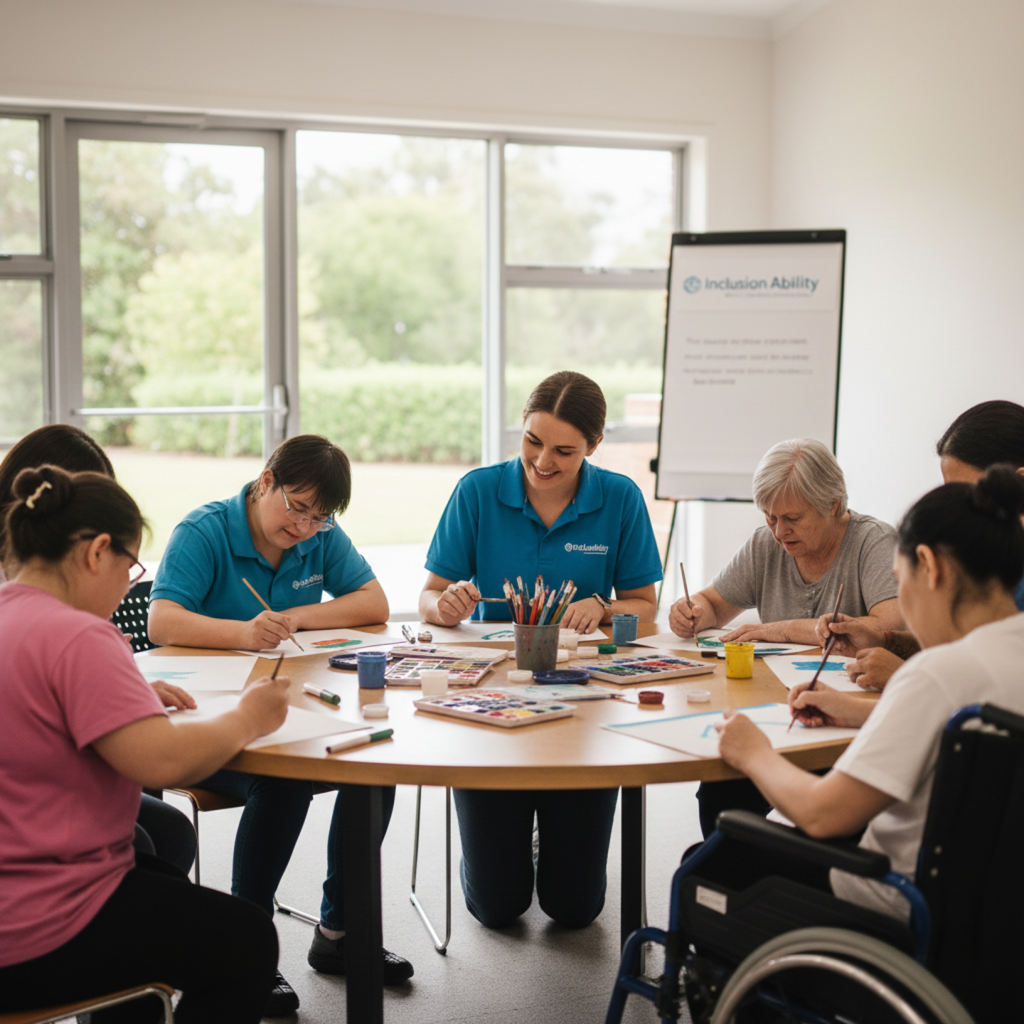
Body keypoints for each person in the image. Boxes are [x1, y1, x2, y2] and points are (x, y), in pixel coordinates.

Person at [0, 464, 285, 1022]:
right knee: (248, 941)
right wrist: (251, 716)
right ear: (97, 551)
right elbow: (163, 759)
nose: (130, 583)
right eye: (131, 566)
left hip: (17, 880)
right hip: (38, 920)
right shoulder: (81, 634)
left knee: (161, 873)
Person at [148, 433, 413, 1006]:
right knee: (284, 779)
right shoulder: (205, 531)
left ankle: (339, 934)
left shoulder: (318, 532)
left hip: (293, 714)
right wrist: (243, 634)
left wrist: (296, 615)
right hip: (212, 728)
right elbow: (162, 621)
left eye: (320, 519)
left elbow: (373, 604)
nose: (304, 528)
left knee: (376, 761)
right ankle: (251, 948)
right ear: (265, 480)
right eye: (296, 508)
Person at [712, 464, 1024, 922]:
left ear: (931, 568)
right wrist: (853, 710)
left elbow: (823, 815)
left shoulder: (938, 672)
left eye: (901, 579)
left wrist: (752, 752)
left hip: (894, 904)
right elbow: (962, 723)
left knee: (714, 859)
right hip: (990, 912)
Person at [420, 370, 663, 928]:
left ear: (594, 447)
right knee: (498, 907)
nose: (543, 461)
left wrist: (605, 608)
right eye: (532, 441)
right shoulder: (477, 491)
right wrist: (447, 606)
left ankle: (542, 842)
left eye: (564, 450)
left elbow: (643, 608)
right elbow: (430, 596)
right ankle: (502, 849)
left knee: (574, 908)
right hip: (491, 702)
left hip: (584, 705)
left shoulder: (619, 497)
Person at [667, 437, 903, 836]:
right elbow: (714, 601)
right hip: (780, 709)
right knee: (722, 791)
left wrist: (773, 629)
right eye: (770, 517)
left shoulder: (873, 542)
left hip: (844, 719)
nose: (780, 531)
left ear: (833, 505)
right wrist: (693, 612)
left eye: (792, 518)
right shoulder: (766, 544)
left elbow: (890, 628)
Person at [0, 425, 197, 877]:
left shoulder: (61, 579)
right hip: (26, 787)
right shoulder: (38, 585)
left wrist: (124, 682)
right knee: (147, 841)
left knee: (165, 833)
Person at [817, 400, 1024, 691]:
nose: (958, 506)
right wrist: (886, 641)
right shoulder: (995, 555)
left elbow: (1006, 694)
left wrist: (906, 677)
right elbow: (962, 644)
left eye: (969, 494)